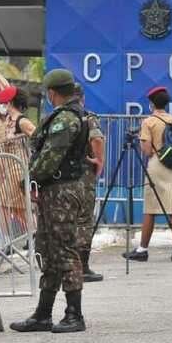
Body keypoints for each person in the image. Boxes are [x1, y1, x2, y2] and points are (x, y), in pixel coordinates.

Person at [10, 69, 89, 334]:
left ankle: (74, 314)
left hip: (61, 191)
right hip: (55, 190)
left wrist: (28, 178)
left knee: (64, 251)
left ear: (52, 93)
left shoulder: (66, 119)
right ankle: (43, 314)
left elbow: (50, 157)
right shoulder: (70, 115)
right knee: (48, 250)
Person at [123, 86, 172, 262]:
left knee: (151, 209)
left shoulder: (148, 122)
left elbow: (146, 150)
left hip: (157, 166)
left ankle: (143, 249)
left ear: (152, 103)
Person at [72, 83, 105, 282]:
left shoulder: (57, 117)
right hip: (83, 175)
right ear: (82, 98)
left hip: (60, 178)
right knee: (84, 220)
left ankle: (64, 266)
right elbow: (97, 139)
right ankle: (82, 267)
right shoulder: (87, 117)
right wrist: (99, 161)